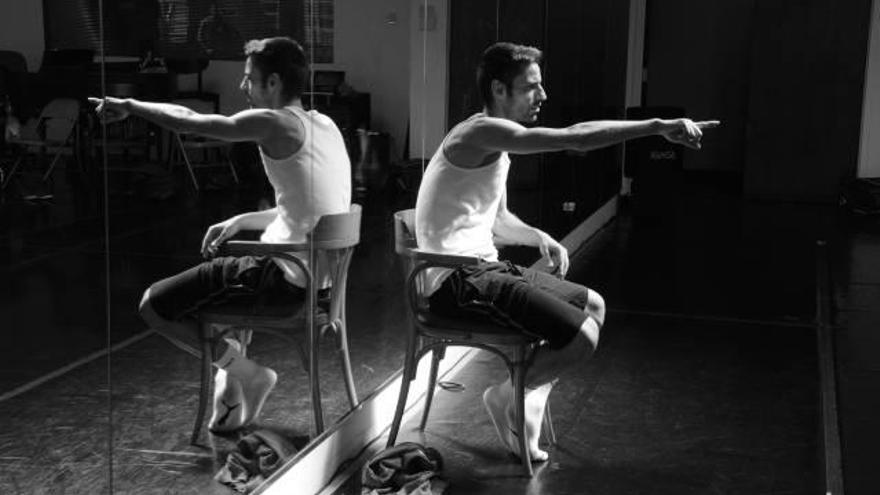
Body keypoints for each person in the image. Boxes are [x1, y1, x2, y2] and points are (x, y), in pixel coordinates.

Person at [415, 42, 718, 462]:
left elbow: (497, 218)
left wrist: (539, 234)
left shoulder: (494, 142)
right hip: (455, 281)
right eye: (531, 87)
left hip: (481, 268)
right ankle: (510, 394)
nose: (543, 96)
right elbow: (575, 140)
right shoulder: (480, 132)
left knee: (593, 305)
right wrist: (657, 125)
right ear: (499, 90)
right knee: (580, 335)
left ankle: (521, 392)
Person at [90, 37, 352, 433]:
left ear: (274, 83)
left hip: (284, 282)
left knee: (152, 305)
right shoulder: (324, 123)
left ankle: (248, 373)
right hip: (319, 282)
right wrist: (242, 219)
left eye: (250, 80)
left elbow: (189, 120)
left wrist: (130, 106)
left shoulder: (274, 122)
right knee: (224, 306)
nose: (243, 89)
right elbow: (309, 211)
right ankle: (231, 394)